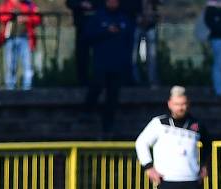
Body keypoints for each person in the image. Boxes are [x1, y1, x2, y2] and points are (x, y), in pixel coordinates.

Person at [84, 0, 133, 134]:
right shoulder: (98, 17)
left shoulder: (123, 18)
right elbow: (88, 36)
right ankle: (87, 111)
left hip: (117, 63)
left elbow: (129, 39)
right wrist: (106, 31)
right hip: (101, 61)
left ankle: (108, 125)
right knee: (97, 86)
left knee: (113, 95)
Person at [0, 0, 41, 90]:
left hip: (25, 39)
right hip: (10, 39)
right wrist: (11, 15)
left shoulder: (29, 4)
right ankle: (10, 91)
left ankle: (27, 90)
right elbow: (1, 16)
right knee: (11, 66)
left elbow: (37, 19)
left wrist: (26, 18)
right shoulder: (7, 4)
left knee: (27, 66)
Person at [67, 0, 99, 84]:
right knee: (82, 54)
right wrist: (80, 4)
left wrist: (94, 5)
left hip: (98, 25)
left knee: (100, 53)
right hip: (81, 25)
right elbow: (70, 3)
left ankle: (100, 78)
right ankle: (82, 80)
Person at [132, 0, 159, 86]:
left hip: (150, 25)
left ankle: (151, 81)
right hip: (136, 24)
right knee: (133, 57)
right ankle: (135, 81)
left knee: (152, 57)